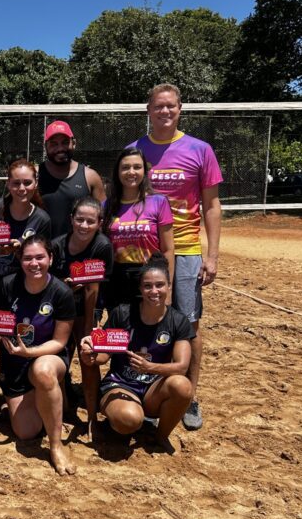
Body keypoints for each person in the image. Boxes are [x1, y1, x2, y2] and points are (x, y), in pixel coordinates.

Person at [128, 83, 223, 431]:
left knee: (187, 325)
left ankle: (189, 396)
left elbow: (212, 206)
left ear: (180, 109)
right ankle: (134, 387)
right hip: (141, 249)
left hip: (184, 250)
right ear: (148, 110)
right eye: (158, 107)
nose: (165, 112)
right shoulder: (134, 150)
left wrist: (211, 256)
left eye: (171, 106)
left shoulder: (199, 149)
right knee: (137, 317)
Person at [79, 254, 194, 453]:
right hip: (121, 383)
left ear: (169, 286)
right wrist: (91, 355)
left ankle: (160, 436)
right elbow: (105, 356)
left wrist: (150, 367)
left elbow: (182, 366)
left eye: (160, 285)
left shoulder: (178, 320)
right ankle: (108, 416)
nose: (154, 291)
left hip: (153, 388)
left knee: (183, 387)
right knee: (130, 420)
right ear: (140, 289)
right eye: (148, 286)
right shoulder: (122, 313)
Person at [0, 235, 77, 476]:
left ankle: (56, 445)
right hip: (15, 361)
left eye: (40, 257)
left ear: (50, 258)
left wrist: (31, 352)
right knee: (26, 431)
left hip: (48, 356)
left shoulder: (61, 292)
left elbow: (60, 342)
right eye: (28, 258)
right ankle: (45, 394)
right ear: (20, 261)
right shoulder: (7, 284)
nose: (34, 263)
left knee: (43, 371)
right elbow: (0, 327)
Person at [49, 197, 113, 438]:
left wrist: (86, 330)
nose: (84, 225)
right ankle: (63, 409)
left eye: (90, 221)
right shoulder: (56, 246)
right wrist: (65, 286)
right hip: (60, 311)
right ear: (71, 220)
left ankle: (92, 418)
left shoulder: (102, 246)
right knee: (59, 357)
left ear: (99, 223)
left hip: (89, 308)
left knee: (88, 358)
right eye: (80, 219)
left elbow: (91, 289)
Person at [0, 158, 51, 302]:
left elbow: (42, 258)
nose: (21, 188)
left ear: (36, 184)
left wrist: (20, 250)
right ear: (8, 184)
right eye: (16, 183)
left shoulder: (42, 219)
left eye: (27, 183)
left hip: (17, 285)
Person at [103, 148, 175, 308]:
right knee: (119, 330)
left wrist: (167, 289)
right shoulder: (106, 206)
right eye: (125, 167)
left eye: (137, 167)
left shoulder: (159, 202)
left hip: (150, 279)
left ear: (145, 170)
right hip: (117, 280)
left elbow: (168, 249)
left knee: (149, 330)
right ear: (117, 171)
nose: (131, 172)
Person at [37, 120, 105, 238]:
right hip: (41, 252)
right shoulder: (34, 176)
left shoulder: (90, 177)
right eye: (54, 144)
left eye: (65, 142)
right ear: (46, 146)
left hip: (80, 252)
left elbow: (103, 217)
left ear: (74, 143)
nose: (60, 148)